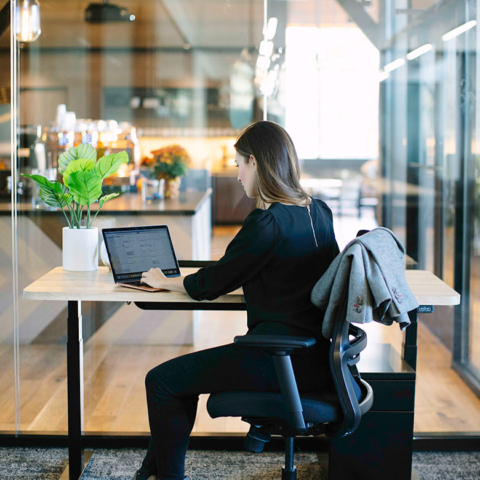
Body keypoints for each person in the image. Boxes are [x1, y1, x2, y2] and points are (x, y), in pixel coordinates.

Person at [132, 121, 340, 480]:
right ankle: (151, 471)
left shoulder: (266, 223)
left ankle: (165, 476)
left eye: (239, 164)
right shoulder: (318, 211)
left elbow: (211, 284)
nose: (237, 174)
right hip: (317, 358)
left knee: (162, 381)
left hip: (280, 360)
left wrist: (164, 281)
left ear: (256, 163)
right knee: (179, 380)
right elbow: (292, 272)